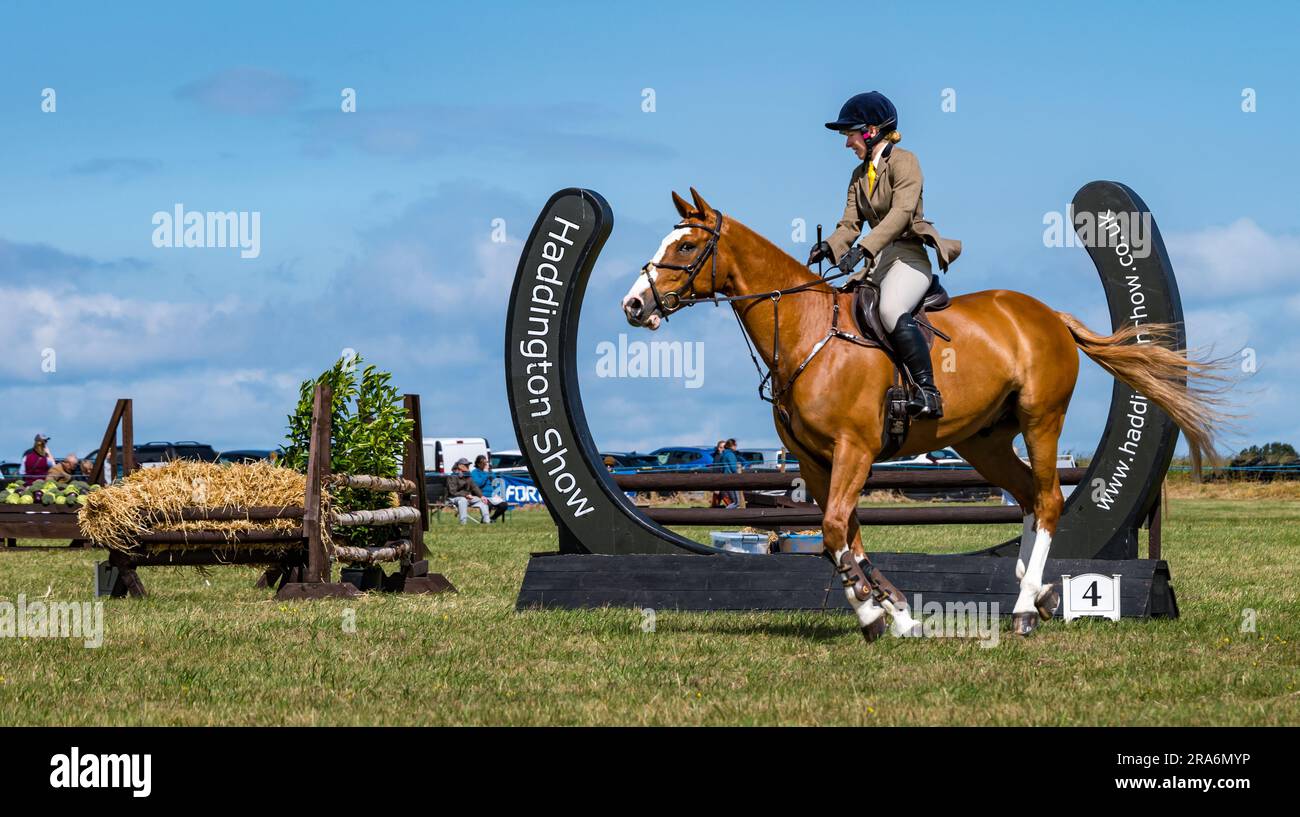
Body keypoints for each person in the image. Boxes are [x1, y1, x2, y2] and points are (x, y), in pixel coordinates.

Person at [807, 91, 962, 420]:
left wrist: (863, 249)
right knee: (843, 307)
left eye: (850, 134)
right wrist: (831, 246)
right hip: (877, 262)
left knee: (891, 309)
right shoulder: (858, 176)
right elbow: (850, 223)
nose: (847, 143)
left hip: (908, 257)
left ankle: (927, 391)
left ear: (871, 131)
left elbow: (901, 214)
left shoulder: (906, 161)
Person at [446, 457, 491, 524]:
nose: (468, 466)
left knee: (483, 501)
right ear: (459, 466)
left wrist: (481, 496)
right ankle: (463, 523)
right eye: (466, 465)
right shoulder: (452, 476)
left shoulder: (468, 476)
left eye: (468, 465)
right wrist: (466, 495)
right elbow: (453, 492)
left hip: (467, 497)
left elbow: (475, 487)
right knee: (463, 500)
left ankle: (487, 522)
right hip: (453, 498)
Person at [470, 454, 508, 521]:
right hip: (482, 495)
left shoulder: (490, 472)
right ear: (478, 464)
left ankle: (493, 518)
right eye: (483, 463)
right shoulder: (474, 472)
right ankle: (485, 520)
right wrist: (486, 475)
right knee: (488, 505)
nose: (485, 464)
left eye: (486, 462)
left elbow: (495, 483)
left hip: (492, 495)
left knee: (504, 505)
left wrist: (490, 474)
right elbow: (478, 484)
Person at [720, 438, 742, 509]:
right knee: (737, 502)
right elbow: (733, 469)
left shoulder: (724, 454)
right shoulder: (730, 455)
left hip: (725, 479)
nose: (736, 446)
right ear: (731, 445)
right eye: (735, 445)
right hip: (732, 479)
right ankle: (724, 514)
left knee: (733, 502)